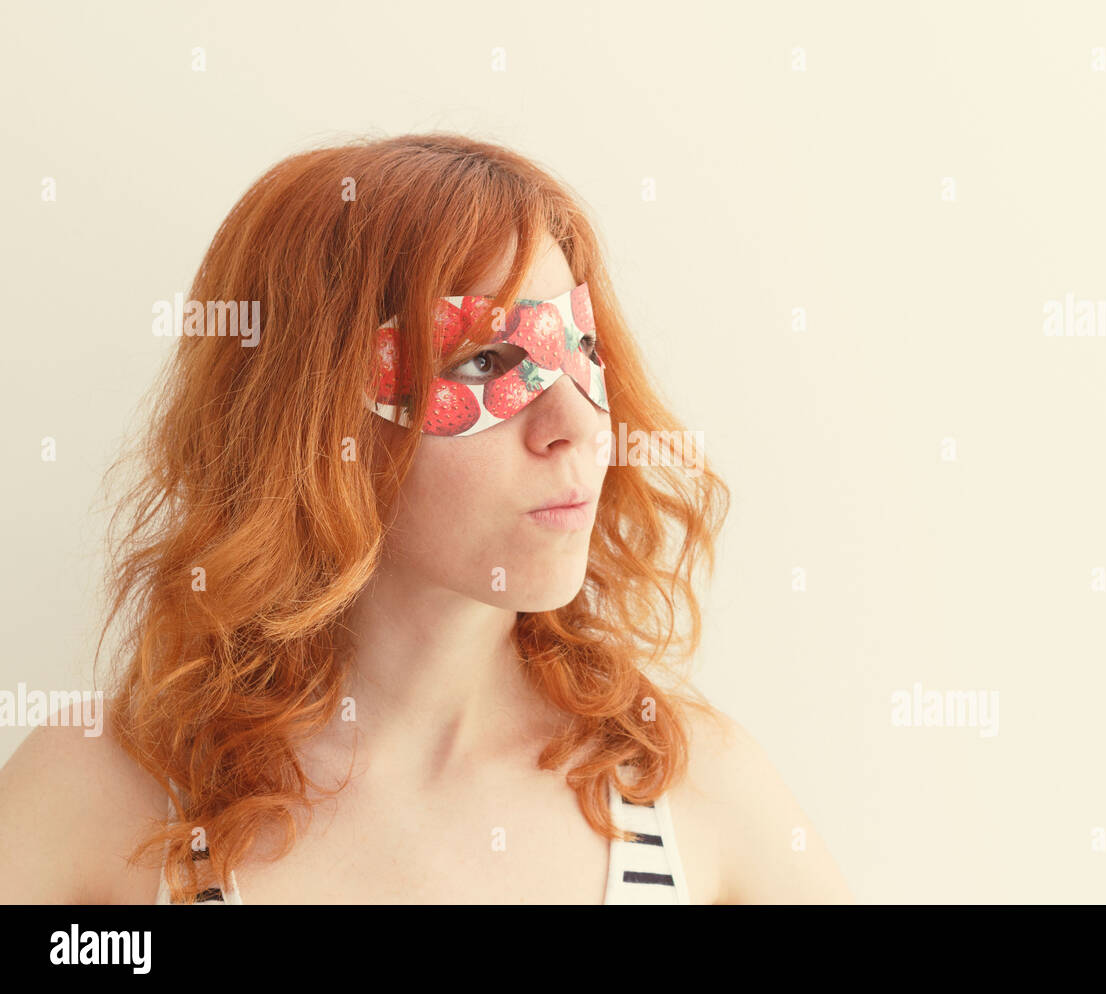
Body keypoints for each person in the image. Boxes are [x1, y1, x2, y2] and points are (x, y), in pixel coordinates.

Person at [0, 133, 854, 904]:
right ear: (311, 418)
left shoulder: (692, 794)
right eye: (488, 361)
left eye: (582, 350)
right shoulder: (105, 798)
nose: (581, 425)